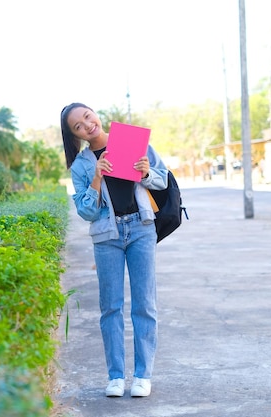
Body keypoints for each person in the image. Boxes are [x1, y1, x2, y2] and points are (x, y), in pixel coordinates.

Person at [60, 102, 168, 398]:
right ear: (74, 136)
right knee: (111, 307)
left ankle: (143, 376)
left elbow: (163, 178)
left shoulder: (131, 141)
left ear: (94, 113)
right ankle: (116, 376)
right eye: (77, 126)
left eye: (86, 116)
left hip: (140, 229)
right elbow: (86, 212)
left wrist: (146, 173)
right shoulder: (81, 165)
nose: (86, 125)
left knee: (145, 303)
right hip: (106, 235)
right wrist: (97, 177)